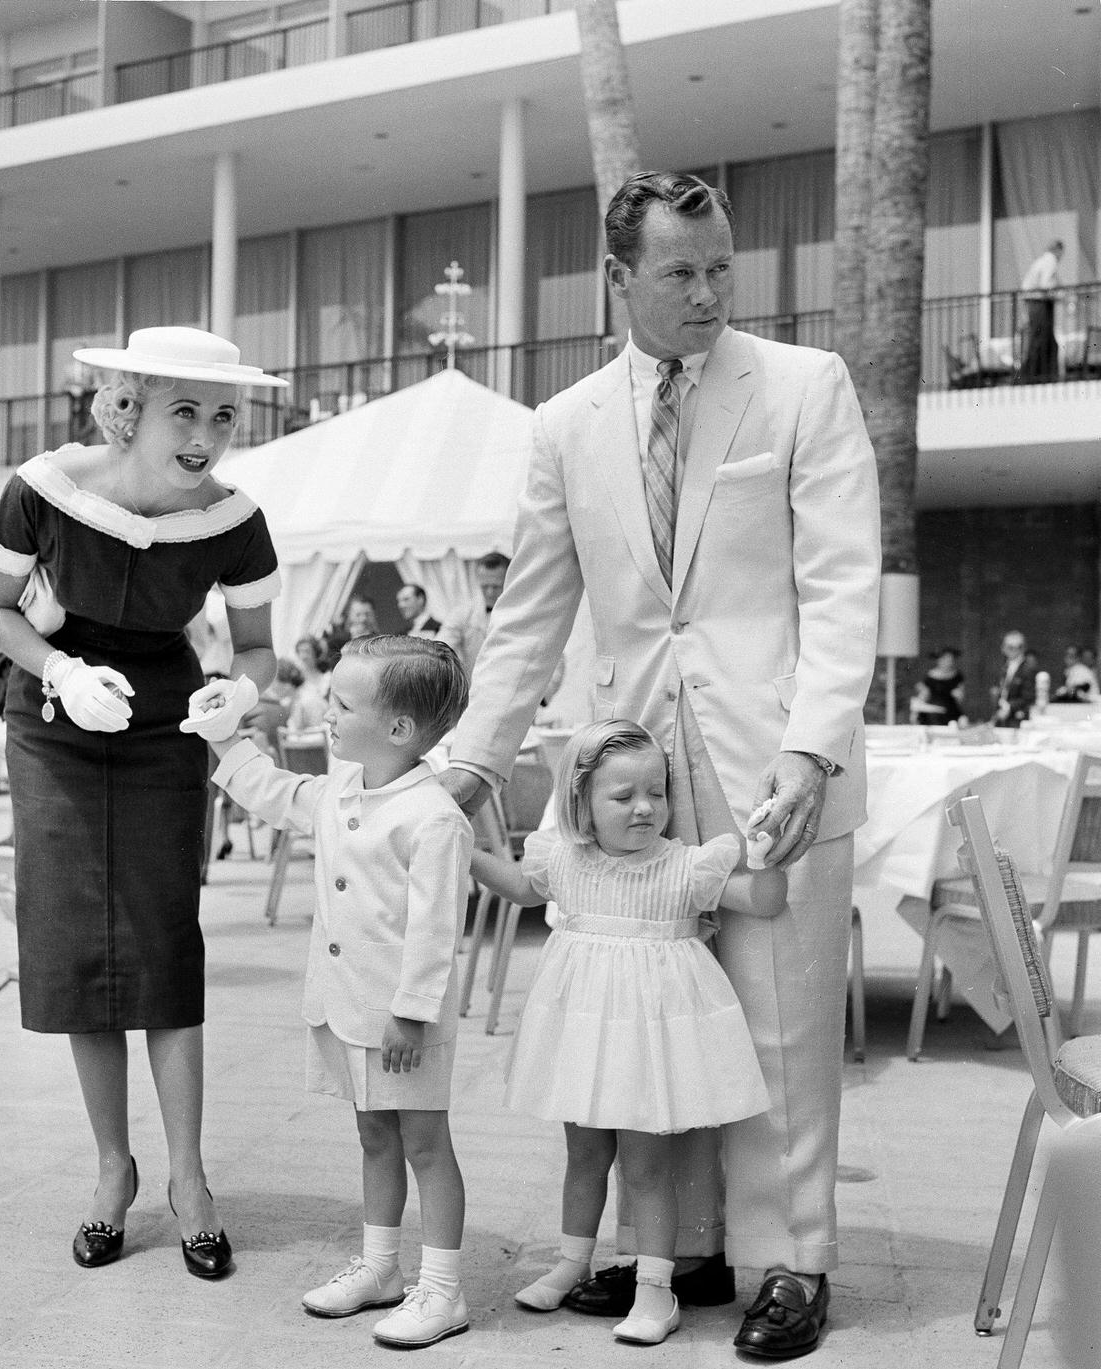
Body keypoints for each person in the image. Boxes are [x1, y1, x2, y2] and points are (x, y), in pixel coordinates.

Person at [437, 171, 881, 1359]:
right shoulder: (564, 423)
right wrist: (469, 763)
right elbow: (527, 617)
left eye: (720, 267)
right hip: (627, 779)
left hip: (773, 763)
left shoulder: (801, 386)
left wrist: (807, 747)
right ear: (617, 278)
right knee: (650, 1025)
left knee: (779, 1026)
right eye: (679, 271)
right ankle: (675, 1249)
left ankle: (795, 1261)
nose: (706, 291)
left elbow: (841, 589)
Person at [0, 326, 287, 1277]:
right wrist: (61, 669)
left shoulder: (234, 519)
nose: (205, 433)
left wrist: (242, 691)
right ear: (128, 408)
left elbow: (260, 647)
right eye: (183, 410)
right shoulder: (45, 490)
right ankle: (114, 1169)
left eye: (223, 414)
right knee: (76, 946)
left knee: (161, 938)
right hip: (56, 723)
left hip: (162, 725)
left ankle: (188, 1179)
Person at [471, 721, 785, 1345]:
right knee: (584, 1155)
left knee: (645, 1169)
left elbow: (766, 901)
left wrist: (767, 850)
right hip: (585, 1034)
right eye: (623, 797)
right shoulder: (564, 860)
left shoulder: (687, 867)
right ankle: (570, 1261)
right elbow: (516, 886)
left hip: (650, 1041)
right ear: (582, 804)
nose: (645, 808)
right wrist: (460, 846)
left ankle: (655, 1289)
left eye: (657, 792)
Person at [199, 635, 473, 1348]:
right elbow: (277, 793)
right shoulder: (341, 789)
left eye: (342, 702)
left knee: (426, 1142)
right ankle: (381, 1266)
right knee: (373, 1133)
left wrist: (412, 1015)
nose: (326, 708)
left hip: (401, 1022)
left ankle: (442, 1288)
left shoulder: (434, 816)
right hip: (347, 1007)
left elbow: (436, 928)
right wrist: (224, 740)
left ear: (398, 729)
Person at [437, 552, 509, 676]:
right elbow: (440, 645)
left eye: (497, 586)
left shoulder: (524, 611)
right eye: (485, 586)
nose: (490, 593)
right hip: (476, 688)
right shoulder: (463, 613)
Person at [1019, 240, 1064, 382]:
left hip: (1034, 302)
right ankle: (1034, 376)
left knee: (1043, 340)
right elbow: (1046, 284)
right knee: (1040, 339)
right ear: (1057, 250)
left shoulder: (1041, 261)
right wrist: (1059, 296)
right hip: (1039, 303)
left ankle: (1037, 375)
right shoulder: (1050, 261)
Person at [991, 629, 1037, 727]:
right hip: (1002, 717)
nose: (1013, 650)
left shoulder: (1027, 669)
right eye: (1009, 647)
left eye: (1017, 647)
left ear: (1022, 648)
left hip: (1018, 719)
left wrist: (1009, 707)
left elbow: (1028, 697)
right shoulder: (1004, 667)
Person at [909, 647, 966, 725]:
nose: (948, 663)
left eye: (950, 660)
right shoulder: (930, 676)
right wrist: (915, 711)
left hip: (950, 710)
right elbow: (924, 694)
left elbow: (960, 697)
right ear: (939, 660)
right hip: (933, 711)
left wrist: (959, 695)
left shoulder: (957, 676)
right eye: (946, 660)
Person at [289, 635, 332, 732]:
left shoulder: (327, 678)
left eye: (307, 651)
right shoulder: (295, 680)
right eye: (300, 652)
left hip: (323, 727)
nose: (303, 656)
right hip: (300, 729)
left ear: (316, 653)